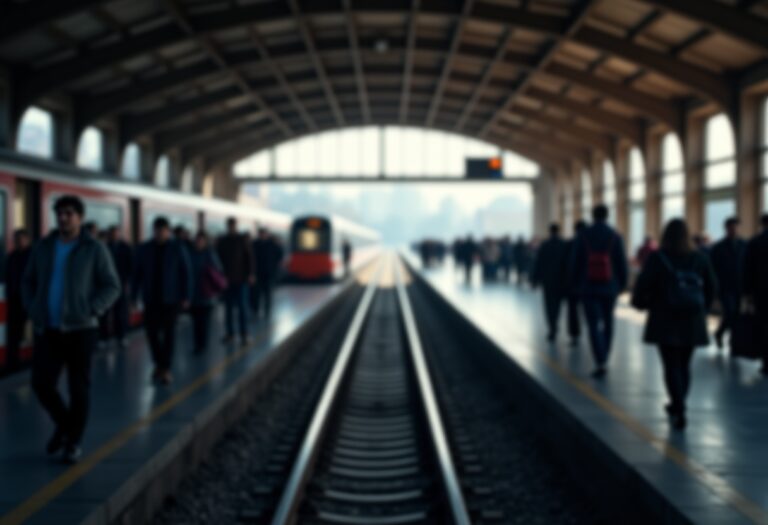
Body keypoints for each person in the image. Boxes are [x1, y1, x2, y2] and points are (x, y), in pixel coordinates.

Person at [22, 195, 120, 463]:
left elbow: (112, 285)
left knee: (79, 388)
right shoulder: (43, 247)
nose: (63, 218)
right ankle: (65, 426)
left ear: (79, 217)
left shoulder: (94, 248)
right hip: (49, 329)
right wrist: (32, 308)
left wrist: (92, 309)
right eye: (59, 213)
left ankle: (73, 442)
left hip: (81, 330)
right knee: (41, 384)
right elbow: (28, 281)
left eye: (68, 213)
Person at [631, 219, 717, 430]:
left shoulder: (658, 258)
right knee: (684, 364)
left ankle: (677, 406)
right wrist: (701, 309)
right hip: (691, 320)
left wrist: (641, 303)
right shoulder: (699, 258)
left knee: (671, 365)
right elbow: (713, 287)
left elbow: (643, 286)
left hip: (664, 318)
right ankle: (680, 404)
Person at [569, 205, 628, 378]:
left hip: (588, 287)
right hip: (610, 287)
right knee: (609, 322)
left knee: (593, 323)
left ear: (592, 216)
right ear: (607, 215)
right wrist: (622, 285)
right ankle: (605, 354)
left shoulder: (583, 236)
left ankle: (599, 359)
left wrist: (574, 284)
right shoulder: (615, 236)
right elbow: (621, 263)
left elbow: (575, 262)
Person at [133, 217, 192, 385]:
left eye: (163, 230)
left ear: (168, 231)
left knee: (169, 335)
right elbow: (137, 274)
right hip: (151, 299)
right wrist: (133, 297)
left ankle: (165, 368)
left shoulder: (177, 248)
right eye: (157, 230)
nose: (159, 233)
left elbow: (185, 273)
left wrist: (186, 296)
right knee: (151, 334)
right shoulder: (145, 249)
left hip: (171, 300)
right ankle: (159, 363)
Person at [709, 217, 746, 350]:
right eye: (731, 227)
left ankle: (726, 337)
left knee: (735, 314)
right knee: (730, 313)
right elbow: (712, 269)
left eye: (735, 227)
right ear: (726, 229)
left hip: (740, 287)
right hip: (725, 287)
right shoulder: (718, 248)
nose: (733, 230)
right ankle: (727, 338)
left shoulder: (744, 245)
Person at [216, 217, 254, 346]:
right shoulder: (223, 241)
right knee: (228, 309)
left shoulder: (242, 240)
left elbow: (249, 258)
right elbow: (218, 260)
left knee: (242, 308)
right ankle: (230, 333)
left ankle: (244, 333)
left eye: (233, 225)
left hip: (241, 279)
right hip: (226, 281)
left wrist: (250, 274)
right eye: (229, 225)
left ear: (236, 226)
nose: (231, 228)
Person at [532, 224, 569, 342]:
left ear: (550, 231)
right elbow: (568, 264)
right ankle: (555, 323)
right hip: (561, 281)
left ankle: (552, 327)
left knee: (548, 305)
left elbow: (538, 263)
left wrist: (535, 279)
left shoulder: (545, 245)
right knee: (557, 305)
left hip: (547, 281)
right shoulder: (564, 245)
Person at [742, 213, 768, 375]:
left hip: (762, 293)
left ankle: (766, 361)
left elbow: (747, 270)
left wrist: (747, 293)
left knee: (764, 327)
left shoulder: (755, 243)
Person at [190, 232, 224, 354]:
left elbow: (218, 270)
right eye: (197, 240)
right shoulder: (191, 254)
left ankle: (202, 345)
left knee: (204, 322)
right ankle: (197, 344)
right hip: (194, 293)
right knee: (195, 322)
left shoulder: (210, 254)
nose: (198, 242)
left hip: (206, 293)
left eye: (200, 240)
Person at [6, 229, 32, 369]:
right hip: (14, 299)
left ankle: (30, 359)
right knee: (13, 332)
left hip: (28, 301)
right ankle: (13, 362)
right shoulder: (12, 256)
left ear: (27, 239)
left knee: (30, 332)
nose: (18, 242)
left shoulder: (33, 256)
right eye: (16, 239)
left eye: (20, 239)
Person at [105, 226, 134, 349]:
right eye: (112, 233)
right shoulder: (104, 247)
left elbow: (131, 266)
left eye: (116, 233)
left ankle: (122, 336)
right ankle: (104, 337)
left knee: (121, 312)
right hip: (106, 285)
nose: (114, 235)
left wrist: (129, 282)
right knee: (105, 312)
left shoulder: (125, 248)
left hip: (121, 283)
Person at [252, 228, 283, 319]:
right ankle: (256, 309)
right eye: (261, 234)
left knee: (267, 294)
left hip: (269, 273)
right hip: (258, 273)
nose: (262, 235)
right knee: (256, 294)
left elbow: (280, 254)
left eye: (263, 234)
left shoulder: (272, 244)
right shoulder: (255, 244)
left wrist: (274, 266)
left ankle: (267, 311)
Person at [565, 220, 587, 345]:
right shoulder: (592, 243)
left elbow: (567, 265)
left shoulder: (570, 244)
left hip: (573, 284)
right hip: (590, 283)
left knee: (573, 311)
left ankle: (575, 335)